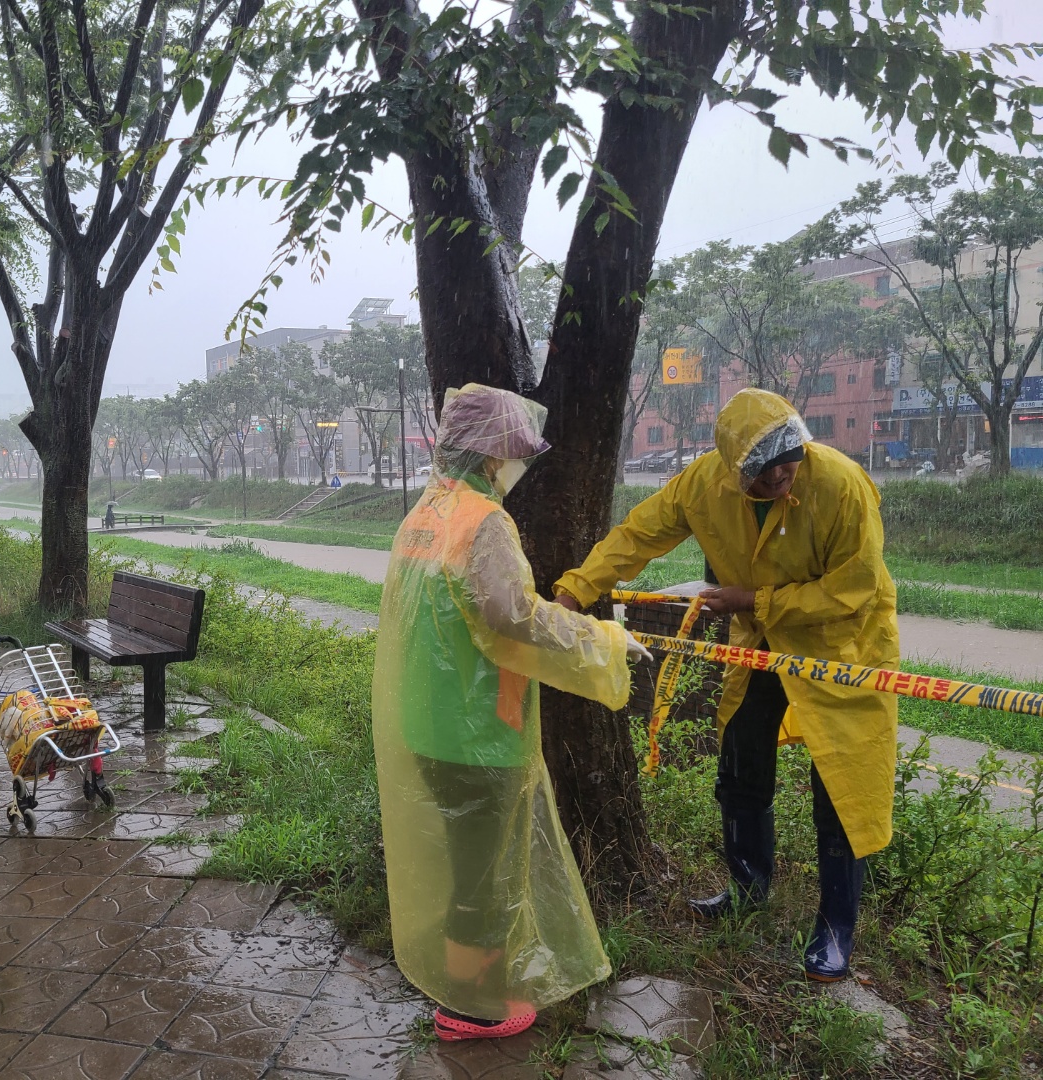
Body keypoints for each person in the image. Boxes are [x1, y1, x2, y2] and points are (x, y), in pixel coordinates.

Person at [554, 388, 899, 982]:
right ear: (736, 470)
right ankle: (746, 887)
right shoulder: (702, 486)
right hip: (761, 645)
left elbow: (856, 587)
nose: (783, 476)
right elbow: (637, 536)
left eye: (791, 461)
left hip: (842, 648)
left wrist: (752, 599)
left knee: (844, 783)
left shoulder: (841, 485)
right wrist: (577, 589)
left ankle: (836, 925)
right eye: (766, 472)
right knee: (741, 756)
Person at [374, 383, 651, 1042]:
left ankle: (472, 984)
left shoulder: (426, 513)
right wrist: (606, 642)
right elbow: (512, 616)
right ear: (491, 453)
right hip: (478, 734)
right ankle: (470, 1007)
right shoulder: (483, 520)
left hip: (429, 724)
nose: (518, 466)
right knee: (483, 879)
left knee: (469, 865)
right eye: (514, 453)